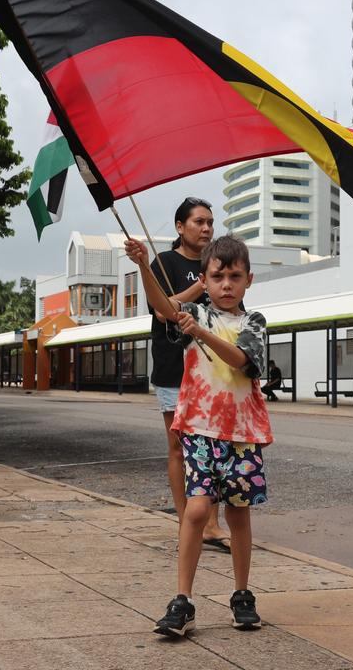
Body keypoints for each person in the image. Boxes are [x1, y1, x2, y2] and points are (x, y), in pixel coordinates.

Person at [124, 235, 271, 637]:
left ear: (248, 280)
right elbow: (162, 306)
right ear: (204, 280)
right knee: (195, 511)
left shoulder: (253, 323)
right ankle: (182, 600)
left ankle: (242, 593)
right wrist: (143, 266)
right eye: (218, 276)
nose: (226, 284)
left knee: (238, 513)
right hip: (200, 431)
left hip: (242, 435)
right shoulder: (192, 314)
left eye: (234, 277)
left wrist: (202, 333)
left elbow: (242, 361)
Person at [145, 198, 230, 551]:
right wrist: (202, 285)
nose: (207, 228)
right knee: (179, 447)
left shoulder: (218, 263)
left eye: (210, 222)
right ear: (180, 227)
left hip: (212, 367)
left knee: (215, 446)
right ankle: (187, 522)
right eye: (199, 222)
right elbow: (164, 310)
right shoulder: (164, 262)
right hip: (174, 367)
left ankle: (210, 522)